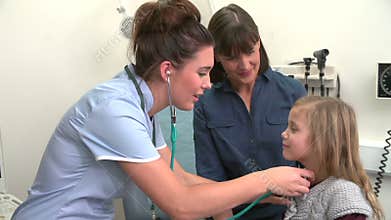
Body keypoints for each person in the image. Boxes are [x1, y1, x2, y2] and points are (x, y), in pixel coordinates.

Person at [11, 1, 314, 219]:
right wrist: (264, 180)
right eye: (202, 72)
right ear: (168, 70)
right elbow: (180, 203)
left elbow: (180, 179)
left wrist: (258, 192)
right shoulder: (114, 110)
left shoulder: (139, 107)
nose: (209, 84)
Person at [193, 3, 307, 219]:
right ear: (216, 56)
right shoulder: (205, 103)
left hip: (290, 213)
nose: (244, 64)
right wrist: (256, 194)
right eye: (232, 57)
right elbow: (210, 182)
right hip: (231, 213)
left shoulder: (292, 93)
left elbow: (312, 165)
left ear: (259, 43)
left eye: (249, 51)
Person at [281, 96, 384, 220]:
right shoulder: (301, 183)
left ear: (323, 140)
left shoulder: (345, 196)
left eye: (294, 129)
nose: (284, 134)